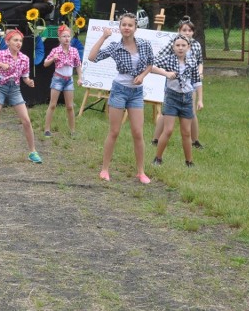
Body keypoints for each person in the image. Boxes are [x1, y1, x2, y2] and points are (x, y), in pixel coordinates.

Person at [87, 12, 154, 184]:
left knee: (138, 132)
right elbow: (92, 57)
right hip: (119, 90)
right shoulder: (115, 47)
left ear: (135, 28)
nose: (126, 28)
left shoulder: (145, 45)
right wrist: (103, 37)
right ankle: (104, 169)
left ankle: (141, 172)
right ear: (120, 27)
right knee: (114, 131)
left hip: (136, 92)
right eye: (123, 25)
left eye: (130, 25)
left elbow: (150, 64)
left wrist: (143, 76)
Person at [0, 29, 42, 164]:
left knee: (26, 120)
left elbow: (25, 76)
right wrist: (0, 64)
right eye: (15, 40)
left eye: (20, 41)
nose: (19, 43)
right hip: (0, 88)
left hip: (15, 89)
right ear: (7, 42)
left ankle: (33, 151)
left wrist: (29, 81)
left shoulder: (24, 58)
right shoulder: (1, 54)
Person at [150, 34, 204, 167]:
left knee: (186, 132)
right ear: (173, 47)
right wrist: (166, 73)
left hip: (186, 99)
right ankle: (158, 158)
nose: (180, 48)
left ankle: (189, 161)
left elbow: (197, 81)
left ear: (188, 47)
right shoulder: (168, 60)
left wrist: (200, 100)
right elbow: (151, 66)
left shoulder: (192, 61)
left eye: (183, 45)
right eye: (177, 45)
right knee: (168, 130)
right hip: (172, 97)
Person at [42, 24, 83, 137]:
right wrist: (52, 59)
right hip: (58, 79)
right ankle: (47, 129)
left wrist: (80, 78)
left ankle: (72, 131)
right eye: (64, 36)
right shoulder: (56, 50)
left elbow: (78, 65)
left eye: (68, 36)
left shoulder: (74, 51)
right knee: (53, 104)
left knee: (70, 106)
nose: (66, 38)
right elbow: (45, 63)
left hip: (68, 80)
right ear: (59, 38)